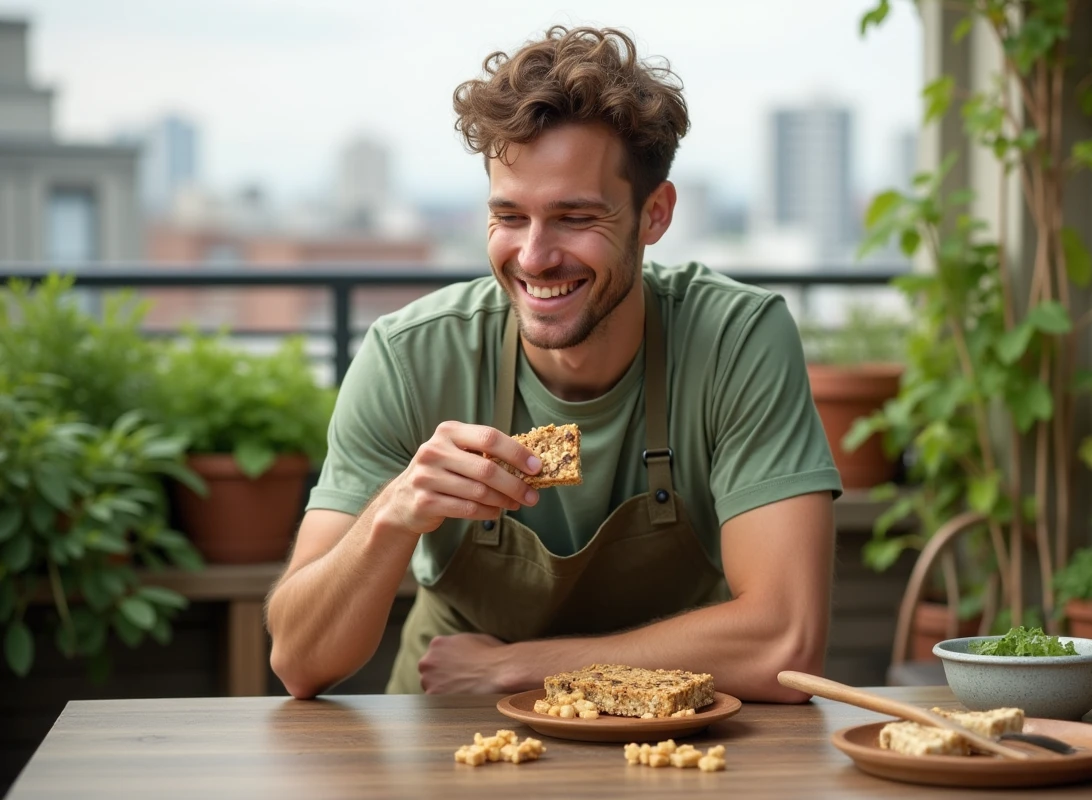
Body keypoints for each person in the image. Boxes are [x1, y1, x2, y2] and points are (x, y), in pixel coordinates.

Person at [265, 25, 842, 703]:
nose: (534, 257)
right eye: (509, 216)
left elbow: (783, 640)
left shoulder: (735, 340)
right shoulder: (410, 357)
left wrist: (518, 669)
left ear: (653, 214)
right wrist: (393, 512)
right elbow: (299, 661)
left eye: (574, 217)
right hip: (448, 728)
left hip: (673, 735)